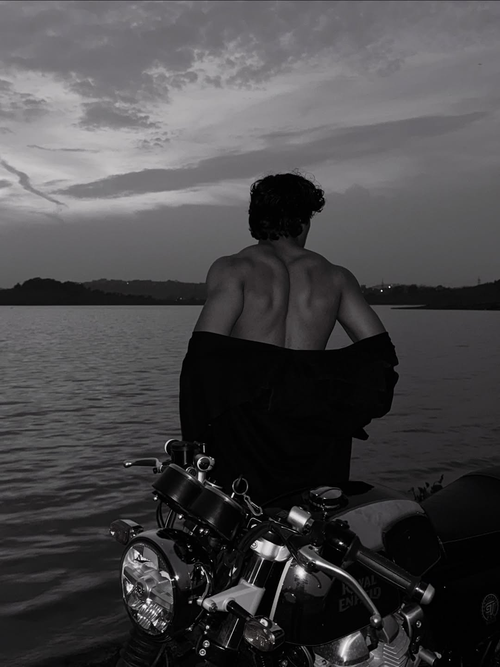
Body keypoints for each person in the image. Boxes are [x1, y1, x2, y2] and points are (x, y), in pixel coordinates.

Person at [179, 170, 399, 507]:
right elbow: (380, 356)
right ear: (304, 220)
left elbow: (202, 361)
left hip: (247, 436)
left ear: (256, 219)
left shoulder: (233, 269)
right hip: (317, 434)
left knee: (245, 529)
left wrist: (196, 443)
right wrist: (339, 400)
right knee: (313, 526)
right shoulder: (336, 277)